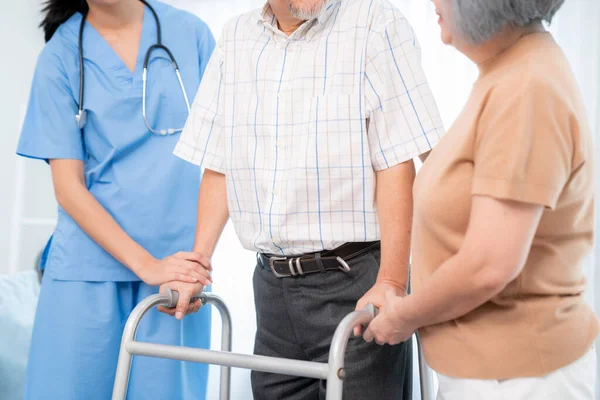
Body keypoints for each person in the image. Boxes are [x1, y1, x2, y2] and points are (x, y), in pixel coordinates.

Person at [161, 0, 445, 398]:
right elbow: (219, 161)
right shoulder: (236, 38)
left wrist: (393, 281)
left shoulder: (375, 25)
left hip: (356, 284)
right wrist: (197, 263)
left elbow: (396, 160)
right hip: (273, 290)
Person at [363, 1, 599, 399]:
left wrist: (404, 316)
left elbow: (490, 264)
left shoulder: (527, 88)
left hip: (517, 378)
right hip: (492, 373)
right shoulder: (508, 74)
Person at [16, 0, 215, 398]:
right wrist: (147, 265)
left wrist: (194, 264)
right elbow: (68, 187)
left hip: (175, 276)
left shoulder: (192, 35)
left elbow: (224, 159)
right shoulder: (60, 55)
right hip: (86, 272)